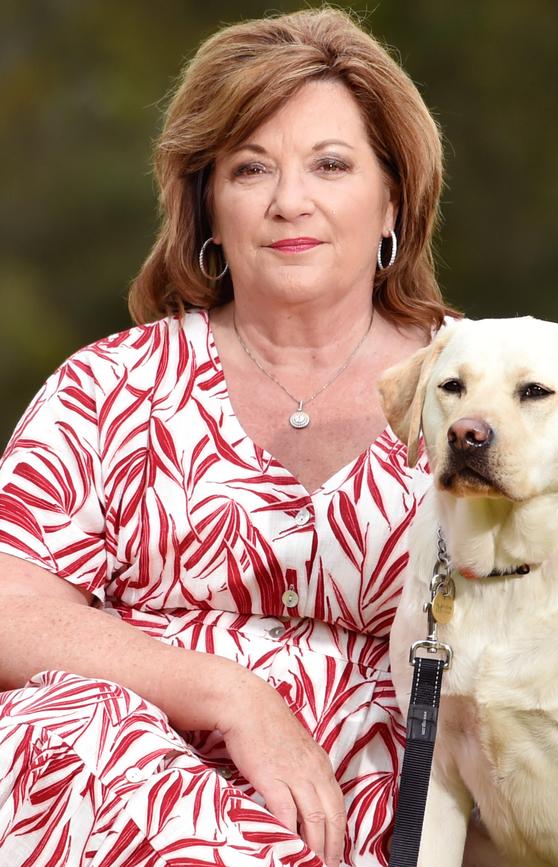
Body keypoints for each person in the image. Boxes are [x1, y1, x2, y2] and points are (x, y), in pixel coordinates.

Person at [0, 8, 460, 866]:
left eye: (331, 164)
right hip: (128, 795)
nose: (292, 201)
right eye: (252, 168)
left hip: (392, 808)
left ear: (393, 195)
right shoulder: (111, 384)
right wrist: (233, 696)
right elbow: (8, 608)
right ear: (207, 205)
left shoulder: (491, 385)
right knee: (66, 722)